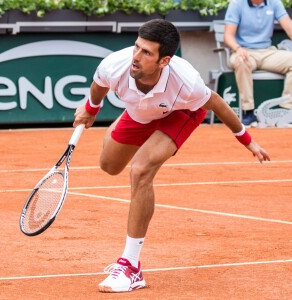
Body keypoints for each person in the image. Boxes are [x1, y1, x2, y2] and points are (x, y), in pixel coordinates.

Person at [73, 19, 270, 293]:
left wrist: (246, 140)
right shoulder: (114, 64)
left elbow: (217, 103)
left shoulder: (187, 83)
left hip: (178, 113)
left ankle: (130, 267)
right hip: (141, 113)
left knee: (140, 171)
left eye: (146, 53)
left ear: (164, 60)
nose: (136, 57)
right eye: (136, 47)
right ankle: (134, 120)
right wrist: (90, 109)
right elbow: (98, 87)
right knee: (109, 165)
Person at [224, 0, 292, 127]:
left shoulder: (275, 3)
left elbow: (289, 27)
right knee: (241, 62)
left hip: (268, 52)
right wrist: (238, 48)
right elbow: (228, 35)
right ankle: (248, 112)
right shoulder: (236, 4)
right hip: (245, 52)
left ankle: (286, 111)